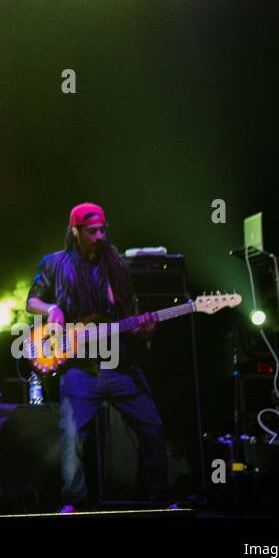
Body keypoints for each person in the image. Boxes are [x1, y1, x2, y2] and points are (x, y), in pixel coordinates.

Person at [26, 202, 167, 512]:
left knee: (153, 428)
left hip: (118, 365)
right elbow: (31, 301)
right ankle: (73, 504)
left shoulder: (117, 266)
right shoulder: (55, 263)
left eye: (104, 229)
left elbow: (131, 318)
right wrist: (51, 309)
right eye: (93, 231)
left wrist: (145, 331)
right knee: (72, 439)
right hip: (79, 367)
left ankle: (159, 502)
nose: (100, 236)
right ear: (75, 232)